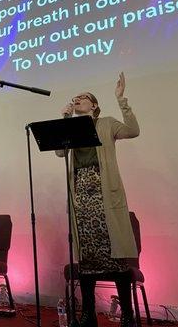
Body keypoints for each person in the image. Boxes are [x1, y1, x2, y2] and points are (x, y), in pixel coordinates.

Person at [58, 72, 140, 327]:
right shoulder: (72, 126)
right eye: (76, 98)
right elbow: (61, 152)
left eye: (84, 98)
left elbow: (133, 131)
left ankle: (127, 315)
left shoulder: (106, 123)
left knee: (115, 256)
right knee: (87, 258)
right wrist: (65, 119)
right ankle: (88, 314)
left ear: (93, 105)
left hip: (104, 195)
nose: (79, 100)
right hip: (80, 197)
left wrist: (121, 99)